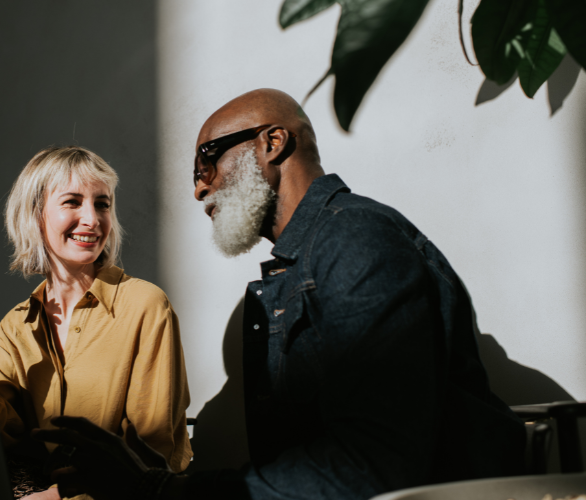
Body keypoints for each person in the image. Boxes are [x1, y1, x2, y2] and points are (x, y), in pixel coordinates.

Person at [32, 89, 527, 500]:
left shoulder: (355, 240)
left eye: (207, 160)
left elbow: (374, 470)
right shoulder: (305, 261)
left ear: (272, 143)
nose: (200, 189)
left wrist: (156, 490)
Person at [0, 146, 192, 499]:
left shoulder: (145, 306)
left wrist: (54, 497)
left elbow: (151, 451)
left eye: (102, 204)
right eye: (73, 202)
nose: (92, 218)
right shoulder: (17, 326)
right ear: (36, 215)